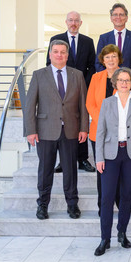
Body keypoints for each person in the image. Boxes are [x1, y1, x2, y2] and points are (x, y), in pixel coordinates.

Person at [23, 39, 89, 220]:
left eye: (63, 52)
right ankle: (42, 205)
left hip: (71, 129)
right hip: (45, 130)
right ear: (50, 54)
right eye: (56, 51)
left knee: (71, 170)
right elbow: (30, 106)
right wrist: (30, 130)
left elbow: (83, 105)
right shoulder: (39, 75)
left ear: (67, 55)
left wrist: (84, 128)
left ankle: (72, 204)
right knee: (45, 170)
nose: (59, 55)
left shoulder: (77, 75)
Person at [94, 67, 131, 256]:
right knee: (107, 197)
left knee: (126, 196)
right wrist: (99, 158)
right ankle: (104, 238)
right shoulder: (107, 103)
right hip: (110, 155)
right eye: (120, 80)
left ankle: (122, 233)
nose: (124, 83)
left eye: (127, 80)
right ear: (115, 83)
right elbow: (100, 133)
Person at [87, 44, 131, 216]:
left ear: (119, 59)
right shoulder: (96, 78)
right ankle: (103, 205)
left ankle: (119, 203)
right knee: (102, 173)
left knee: (121, 176)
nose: (111, 60)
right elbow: (90, 104)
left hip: (124, 136)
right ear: (102, 60)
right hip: (100, 134)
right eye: (107, 57)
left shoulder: (128, 77)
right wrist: (105, 122)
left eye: (114, 56)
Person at [47, 11, 96, 173]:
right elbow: (50, 64)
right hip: (61, 89)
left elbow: (92, 66)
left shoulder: (88, 42)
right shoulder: (55, 40)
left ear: (80, 23)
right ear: (66, 22)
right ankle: (63, 161)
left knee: (81, 121)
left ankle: (82, 159)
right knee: (64, 123)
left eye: (76, 20)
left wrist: (84, 84)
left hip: (81, 89)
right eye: (71, 20)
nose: (73, 23)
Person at [95, 3, 131, 71]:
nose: (118, 17)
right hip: (109, 79)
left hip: (129, 79)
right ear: (111, 18)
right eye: (115, 14)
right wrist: (108, 77)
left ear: (126, 18)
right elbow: (98, 63)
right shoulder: (104, 38)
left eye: (121, 15)